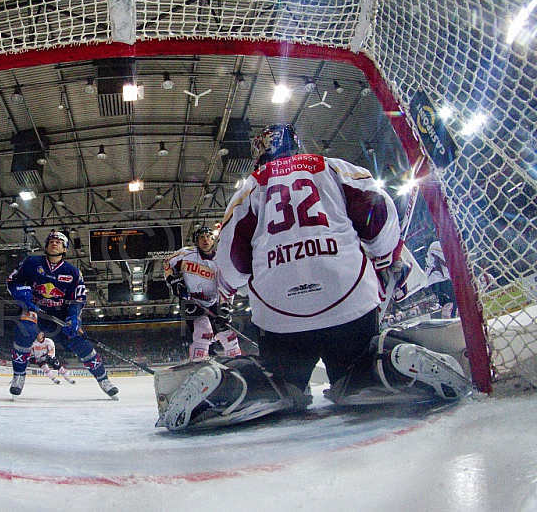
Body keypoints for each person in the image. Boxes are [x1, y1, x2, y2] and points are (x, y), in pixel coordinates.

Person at [156, 124, 471, 430]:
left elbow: (232, 267)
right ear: (296, 145)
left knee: (281, 379)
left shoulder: (249, 189)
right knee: (353, 368)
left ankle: (236, 384)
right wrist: (383, 255)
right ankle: (389, 366)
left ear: (259, 156)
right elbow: (380, 211)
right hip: (349, 303)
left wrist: (230, 284)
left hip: (281, 319)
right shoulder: (332, 168)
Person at [6, 230, 118, 398]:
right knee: (24, 332)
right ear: (46, 245)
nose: (54, 242)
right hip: (33, 310)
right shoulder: (31, 262)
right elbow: (12, 281)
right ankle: (18, 376)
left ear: (65, 249)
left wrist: (73, 318)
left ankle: (103, 379)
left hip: (59, 316)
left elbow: (77, 299)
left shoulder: (73, 272)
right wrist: (20, 292)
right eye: (51, 240)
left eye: (59, 241)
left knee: (82, 344)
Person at [164, 226, 241, 361]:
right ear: (196, 241)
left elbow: (228, 283)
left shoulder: (221, 260)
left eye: (208, 237)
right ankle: (199, 363)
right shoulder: (186, 254)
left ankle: (237, 362)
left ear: (213, 240)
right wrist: (175, 281)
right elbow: (167, 264)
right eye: (201, 237)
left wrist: (225, 305)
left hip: (214, 301)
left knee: (228, 336)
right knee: (203, 332)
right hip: (190, 300)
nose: (205, 240)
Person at [425, 240, 457, 318]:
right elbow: (444, 261)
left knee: (448, 303)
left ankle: (449, 318)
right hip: (437, 281)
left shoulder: (444, 247)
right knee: (455, 298)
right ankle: (451, 318)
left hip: (440, 281)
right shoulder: (435, 245)